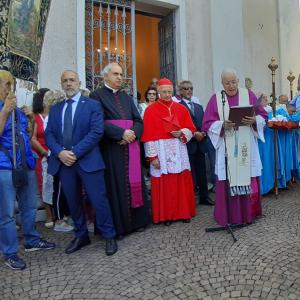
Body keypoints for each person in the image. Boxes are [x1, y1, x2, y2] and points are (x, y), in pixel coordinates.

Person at [45, 70, 117, 256]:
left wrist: (74, 152)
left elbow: (96, 132)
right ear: (61, 84)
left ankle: (109, 235)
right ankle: (81, 234)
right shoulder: (56, 109)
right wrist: (60, 152)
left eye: (72, 80)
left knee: (98, 200)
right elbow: (49, 134)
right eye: (65, 81)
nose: (69, 84)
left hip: (88, 161)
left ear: (79, 82)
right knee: (73, 202)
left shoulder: (92, 105)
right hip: (64, 164)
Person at [0, 70, 55, 270]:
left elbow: (27, 134)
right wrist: (5, 111)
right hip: (4, 166)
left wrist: (31, 118)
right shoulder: (6, 108)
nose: (10, 88)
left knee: (29, 206)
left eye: (11, 84)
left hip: (26, 163)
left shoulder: (16, 108)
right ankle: (10, 252)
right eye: (6, 84)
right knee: (6, 213)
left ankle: (31, 239)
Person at [90, 62, 150, 238]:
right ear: (105, 76)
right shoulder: (96, 96)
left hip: (130, 148)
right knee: (114, 187)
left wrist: (132, 134)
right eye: (116, 74)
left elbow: (138, 120)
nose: (120, 78)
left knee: (134, 183)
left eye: (121, 74)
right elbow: (97, 122)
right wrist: (121, 133)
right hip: (112, 149)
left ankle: (137, 222)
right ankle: (118, 227)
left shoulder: (126, 97)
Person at [202, 68, 267, 226]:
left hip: (246, 143)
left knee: (247, 173)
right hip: (226, 145)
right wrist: (221, 125)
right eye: (227, 83)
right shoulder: (216, 99)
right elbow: (207, 124)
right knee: (228, 175)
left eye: (233, 82)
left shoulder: (248, 95)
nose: (231, 86)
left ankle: (248, 213)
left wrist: (254, 121)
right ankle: (229, 215)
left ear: (238, 81)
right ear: (222, 83)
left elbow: (263, 115)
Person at [141, 78, 196, 225]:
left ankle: (183, 213)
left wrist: (182, 133)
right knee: (165, 184)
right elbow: (148, 136)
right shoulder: (150, 111)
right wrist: (152, 157)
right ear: (158, 91)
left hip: (179, 148)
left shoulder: (181, 108)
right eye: (164, 92)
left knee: (180, 182)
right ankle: (167, 216)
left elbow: (191, 129)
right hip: (161, 151)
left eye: (169, 92)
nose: (167, 94)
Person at [31, 89, 73, 232]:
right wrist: (46, 153)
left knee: (58, 186)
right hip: (48, 155)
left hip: (57, 154)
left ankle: (62, 215)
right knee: (50, 186)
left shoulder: (56, 114)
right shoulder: (41, 117)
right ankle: (54, 217)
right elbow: (36, 138)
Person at [178, 80, 214, 205]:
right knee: (188, 174)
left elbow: (204, 123)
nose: (189, 91)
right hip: (188, 144)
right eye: (186, 89)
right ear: (180, 91)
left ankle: (204, 197)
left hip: (201, 144)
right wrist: (194, 134)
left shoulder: (198, 107)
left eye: (191, 88)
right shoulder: (178, 106)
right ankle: (189, 201)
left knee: (202, 172)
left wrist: (203, 133)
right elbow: (180, 125)